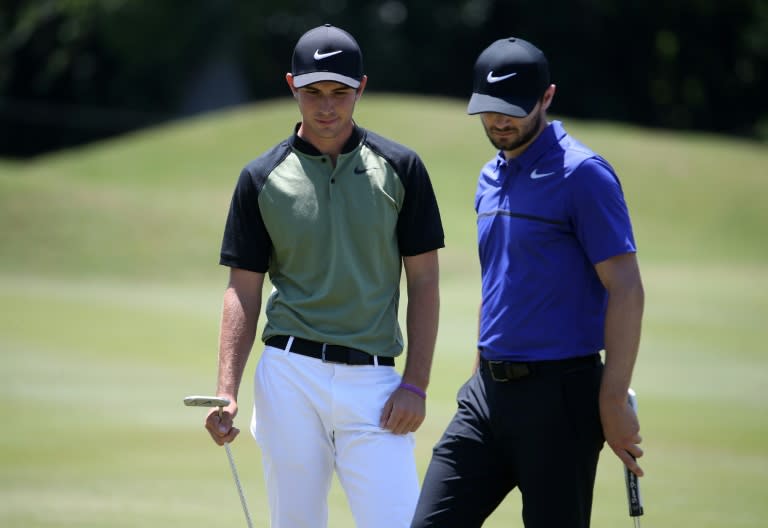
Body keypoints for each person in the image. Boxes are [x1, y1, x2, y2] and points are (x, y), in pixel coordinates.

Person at [203, 24, 444, 528]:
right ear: (292, 86)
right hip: (290, 376)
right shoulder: (260, 177)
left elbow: (424, 282)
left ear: (361, 88)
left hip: (377, 383)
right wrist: (227, 388)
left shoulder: (402, 168)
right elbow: (242, 291)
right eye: (313, 92)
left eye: (340, 92)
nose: (327, 107)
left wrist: (416, 385)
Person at [410, 37, 645, 528]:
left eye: (513, 109)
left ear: (547, 98)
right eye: (490, 109)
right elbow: (498, 282)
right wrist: (478, 372)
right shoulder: (489, 176)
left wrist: (613, 397)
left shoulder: (583, 175)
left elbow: (626, 287)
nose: (499, 121)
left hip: (561, 399)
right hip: (487, 396)